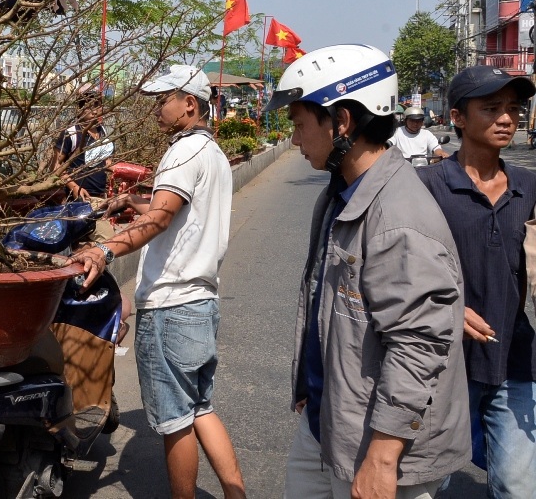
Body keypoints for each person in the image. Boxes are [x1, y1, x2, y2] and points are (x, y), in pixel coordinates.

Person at [262, 44, 470, 499]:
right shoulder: (343, 192)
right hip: (329, 421)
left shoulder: (397, 217)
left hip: (380, 447)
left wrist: (381, 458)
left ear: (342, 122)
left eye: (300, 125)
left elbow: (419, 343)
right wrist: (312, 382)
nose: (294, 139)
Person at [72, 64, 246, 499]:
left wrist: (104, 250)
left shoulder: (183, 152)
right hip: (201, 300)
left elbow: (163, 216)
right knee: (200, 408)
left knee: (174, 422)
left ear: (189, 103)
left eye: (162, 100)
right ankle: (235, 492)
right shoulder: (211, 153)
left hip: (171, 305)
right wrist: (135, 199)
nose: (156, 109)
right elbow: (173, 209)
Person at [417, 65, 536, 498]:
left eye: (513, 108)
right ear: (458, 117)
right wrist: (450, 308)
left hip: (515, 358)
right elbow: (395, 276)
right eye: (490, 108)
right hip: (442, 363)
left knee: (518, 486)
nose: (506, 118)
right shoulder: (424, 187)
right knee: (427, 483)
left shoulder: (529, 186)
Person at [54, 86, 114, 202]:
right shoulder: (71, 133)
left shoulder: (102, 130)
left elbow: (105, 162)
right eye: (89, 106)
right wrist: (74, 188)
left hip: (99, 196)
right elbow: (56, 166)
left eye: (97, 105)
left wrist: (125, 170)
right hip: (77, 197)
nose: (95, 111)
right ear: (79, 108)